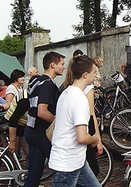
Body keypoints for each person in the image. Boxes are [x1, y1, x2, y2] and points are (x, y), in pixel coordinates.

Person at [49, 55, 100, 187]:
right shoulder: (79, 99)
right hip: (67, 165)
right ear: (85, 75)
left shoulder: (66, 93)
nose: (96, 75)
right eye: (94, 72)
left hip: (76, 160)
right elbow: (82, 137)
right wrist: (95, 139)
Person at [24, 51, 65, 187]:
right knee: (61, 167)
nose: (63, 67)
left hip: (31, 130)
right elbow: (42, 112)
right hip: (42, 133)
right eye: (62, 64)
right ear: (53, 65)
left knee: (34, 173)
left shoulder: (36, 80)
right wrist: (58, 121)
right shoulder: (47, 84)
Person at [1, 69, 29, 161]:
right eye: (20, 77)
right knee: (12, 150)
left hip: (20, 122)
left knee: (24, 146)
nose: (23, 78)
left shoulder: (20, 89)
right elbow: (9, 103)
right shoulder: (11, 88)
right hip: (12, 119)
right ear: (16, 78)